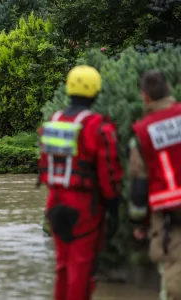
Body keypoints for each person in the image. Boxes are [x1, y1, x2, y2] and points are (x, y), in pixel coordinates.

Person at [37, 65, 123, 300]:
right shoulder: (97, 125)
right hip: (84, 207)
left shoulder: (54, 121)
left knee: (62, 266)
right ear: (96, 92)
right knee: (81, 271)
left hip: (55, 202)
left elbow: (45, 162)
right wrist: (114, 208)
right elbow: (109, 172)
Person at [128, 70, 181, 300]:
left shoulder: (141, 133)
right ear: (169, 90)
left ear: (145, 97)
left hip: (170, 214)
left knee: (174, 273)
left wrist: (139, 223)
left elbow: (139, 183)